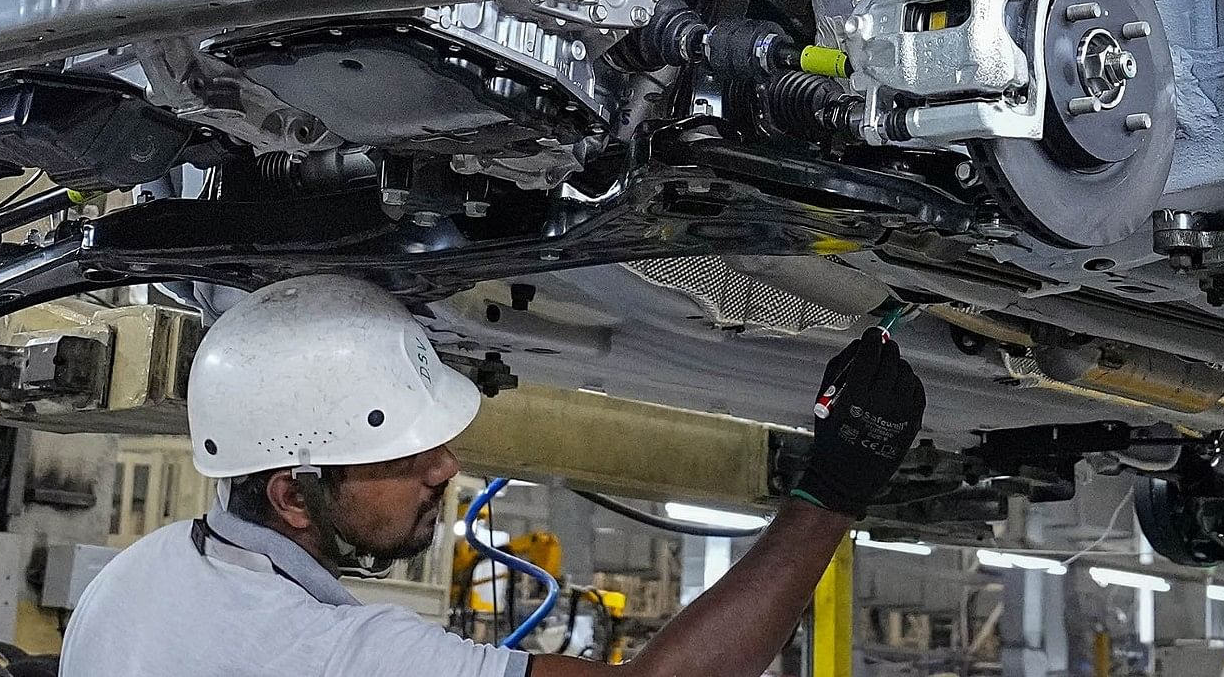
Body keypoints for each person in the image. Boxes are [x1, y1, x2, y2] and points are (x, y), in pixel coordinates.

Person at [59, 273, 926, 676]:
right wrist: (831, 494)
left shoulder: (137, 577)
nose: (446, 467)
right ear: (291, 492)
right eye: (402, 457)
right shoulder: (334, 656)